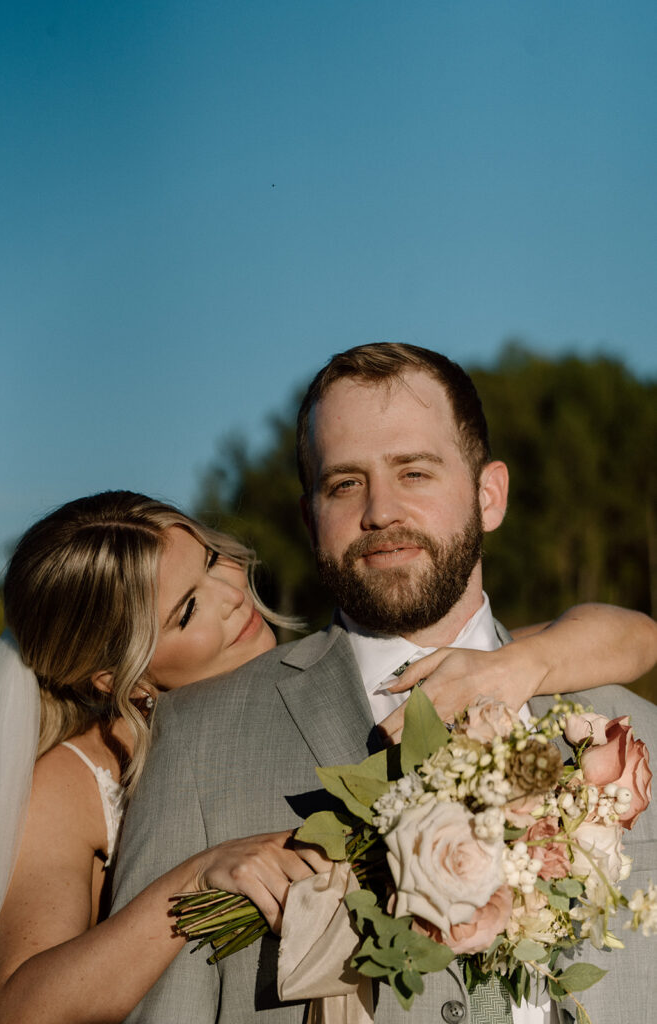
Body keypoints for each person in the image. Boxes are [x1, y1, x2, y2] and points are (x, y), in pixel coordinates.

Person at [112, 343, 657, 1024]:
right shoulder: (196, 740)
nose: (380, 511)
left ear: (488, 496)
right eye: (344, 484)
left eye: (415, 473)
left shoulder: (633, 734)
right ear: (310, 517)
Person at [0, 493, 645, 1024]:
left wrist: (520, 666)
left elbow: (633, 636)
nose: (232, 595)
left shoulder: (338, 676)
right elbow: (19, 1008)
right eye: (186, 612)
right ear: (111, 677)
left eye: (211, 560)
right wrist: (194, 877)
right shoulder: (73, 778)